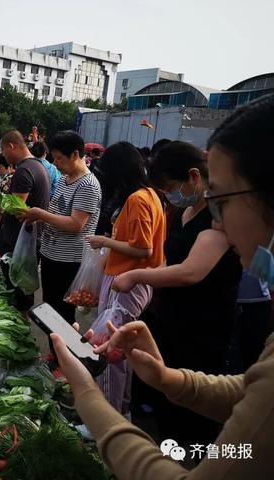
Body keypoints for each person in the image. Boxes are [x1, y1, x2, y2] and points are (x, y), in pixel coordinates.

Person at [50, 93, 274, 480]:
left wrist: (86, 393)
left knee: (187, 436)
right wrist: (166, 377)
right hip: (178, 327)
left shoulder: (154, 206)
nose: (217, 222)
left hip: (201, 328)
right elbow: (251, 393)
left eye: (220, 200)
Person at [112, 141, 242, 447]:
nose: (169, 194)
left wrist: (136, 275)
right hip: (172, 318)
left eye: (170, 186)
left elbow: (190, 272)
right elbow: (171, 261)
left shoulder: (218, 218)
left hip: (203, 325)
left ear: (194, 177)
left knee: (193, 403)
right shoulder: (184, 211)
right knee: (167, 394)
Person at [85, 142, 165, 414]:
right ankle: (122, 408)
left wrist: (103, 241)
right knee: (122, 350)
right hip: (127, 279)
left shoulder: (138, 199)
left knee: (110, 351)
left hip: (127, 281)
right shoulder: (151, 195)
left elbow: (144, 249)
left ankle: (109, 415)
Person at [21, 131, 102, 324]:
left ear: (74, 154)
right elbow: (57, 213)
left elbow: (76, 224)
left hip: (68, 261)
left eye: (58, 158)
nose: (55, 163)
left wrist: (41, 214)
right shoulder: (65, 180)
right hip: (51, 255)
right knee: (50, 309)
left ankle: (62, 353)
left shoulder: (88, 185)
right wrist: (37, 218)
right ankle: (54, 352)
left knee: (62, 314)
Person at [0, 130, 50, 311]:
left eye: (5, 152)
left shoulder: (23, 171)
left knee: (18, 291)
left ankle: (21, 326)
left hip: (20, 241)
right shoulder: (39, 166)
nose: (5, 157)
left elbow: (15, 207)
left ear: (11, 146)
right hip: (29, 239)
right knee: (23, 289)